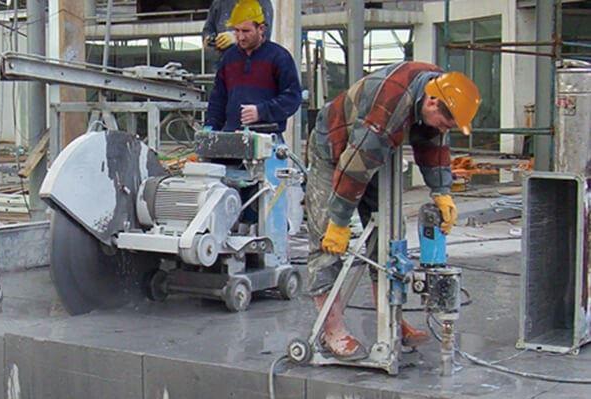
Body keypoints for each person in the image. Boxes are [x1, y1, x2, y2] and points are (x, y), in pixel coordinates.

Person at [306, 61, 481, 358]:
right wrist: (339, 221)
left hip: (375, 149)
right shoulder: (389, 103)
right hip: (335, 148)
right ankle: (331, 330)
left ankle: (390, 320)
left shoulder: (440, 89)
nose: (444, 130)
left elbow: (433, 142)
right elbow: (355, 166)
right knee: (327, 240)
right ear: (431, 102)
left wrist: (442, 191)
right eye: (444, 123)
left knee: (390, 234)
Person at [204, 0, 301, 137]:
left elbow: (292, 97)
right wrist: (210, 128)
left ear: (261, 29)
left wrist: (261, 112)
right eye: (236, 31)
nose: (240, 37)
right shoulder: (229, 58)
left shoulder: (279, 57)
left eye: (246, 31)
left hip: (267, 137)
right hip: (232, 136)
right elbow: (218, 99)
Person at [202, 0, 274, 53]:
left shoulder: (262, 2)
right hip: (223, 62)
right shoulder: (219, 3)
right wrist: (210, 39)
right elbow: (208, 29)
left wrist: (235, 37)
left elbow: (264, 33)